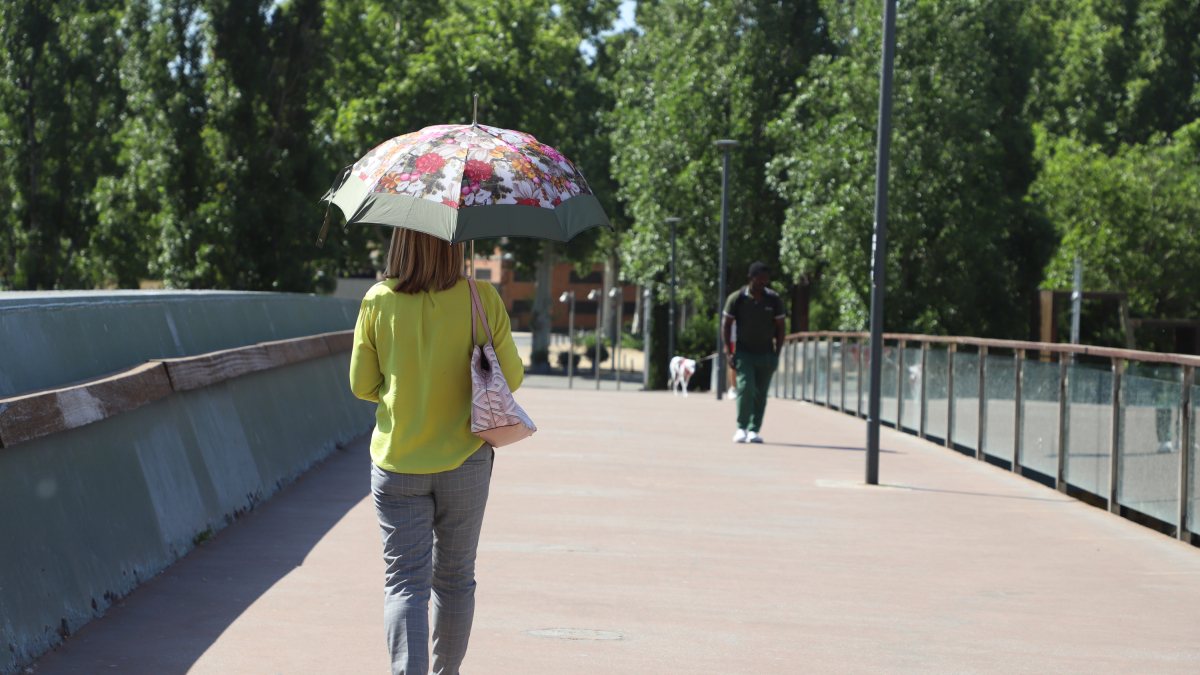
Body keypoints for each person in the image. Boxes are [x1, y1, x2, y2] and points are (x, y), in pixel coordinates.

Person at [350, 228, 522, 675]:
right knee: (455, 579)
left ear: (400, 241)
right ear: (454, 241)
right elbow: (513, 378)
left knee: (405, 584)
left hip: (397, 460)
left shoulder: (377, 300)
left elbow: (361, 385)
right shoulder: (481, 297)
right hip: (466, 458)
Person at [721, 262, 785, 443]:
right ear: (751, 278)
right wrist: (728, 351)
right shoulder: (737, 298)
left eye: (766, 279)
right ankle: (741, 427)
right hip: (744, 353)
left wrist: (777, 354)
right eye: (759, 278)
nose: (763, 282)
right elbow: (725, 325)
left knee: (760, 394)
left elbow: (780, 328)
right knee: (745, 388)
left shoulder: (774, 299)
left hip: (766, 354)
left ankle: (754, 430)